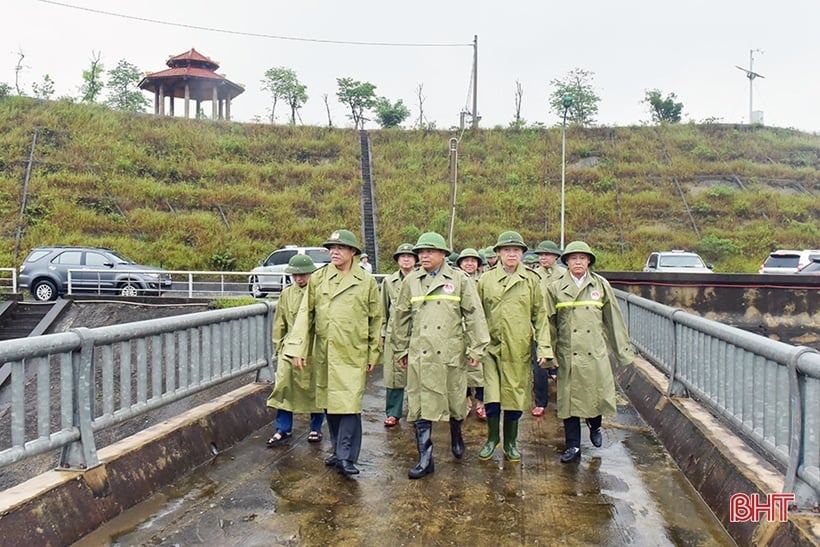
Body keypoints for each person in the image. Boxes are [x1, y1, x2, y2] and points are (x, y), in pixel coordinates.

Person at [285, 229, 384, 477]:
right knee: (331, 403)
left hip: (353, 352)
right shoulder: (318, 279)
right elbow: (305, 315)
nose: (334, 252)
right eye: (331, 248)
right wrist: (298, 348)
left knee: (349, 405)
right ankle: (339, 449)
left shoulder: (366, 281)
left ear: (353, 252)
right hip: (325, 353)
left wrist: (373, 354)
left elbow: (376, 320)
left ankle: (347, 456)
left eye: (340, 248)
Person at [391, 232, 490, 479]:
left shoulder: (459, 280)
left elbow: (474, 315)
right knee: (419, 406)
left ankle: (457, 433)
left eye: (429, 251)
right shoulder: (411, 281)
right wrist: (400, 349)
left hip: (449, 353)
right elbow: (400, 318)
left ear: (443, 254)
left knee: (455, 402)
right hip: (421, 354)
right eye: (420, 252)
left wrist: (477, 348)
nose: (423, 256)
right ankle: (425, 457)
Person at [544, 240, 634, 463]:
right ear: (566, 262)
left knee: (595, 396)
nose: (577, 262)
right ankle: (573, 445)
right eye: (573, 258)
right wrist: (548, 351)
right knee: (569, 403)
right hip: (568, 353)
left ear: (588, 261)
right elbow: (548, 323)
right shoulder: (555, 286)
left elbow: (613, 319)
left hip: (594, 353)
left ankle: (595, 426)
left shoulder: (600, 285)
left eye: (582, 258)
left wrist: (623, 351)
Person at [476, 231, 553, 462]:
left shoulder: (532, 280)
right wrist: (474, 346)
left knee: (514, 396)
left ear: (522, 254)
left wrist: (545, 349)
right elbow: (476, 314)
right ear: (498, 253)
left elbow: (540, 316)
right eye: (507, 250)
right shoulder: (485, 280)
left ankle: (510, 442)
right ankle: (492, 439)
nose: (511, 254)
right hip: (491, 347)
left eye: (516, 250)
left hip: (518, 347)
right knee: (492, 395)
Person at [266, 255, 325, 446]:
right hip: (290, 346)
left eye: (303, 275)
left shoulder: (319, 293)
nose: (299, 278)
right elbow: (279, 323)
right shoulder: (287, 294)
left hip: (313, 347)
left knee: (314, 387)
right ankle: (282, 428)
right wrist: (279, 346)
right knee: (283, 387)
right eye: (295, 275)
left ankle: (316, 427)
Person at [381, 243, 418, 427]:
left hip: (417, 332)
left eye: (410, 256)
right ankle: (393, 412)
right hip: (394, 333)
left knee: (416, 373)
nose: (406, 259)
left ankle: (415, 410)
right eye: (402, 256)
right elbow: (383, 310)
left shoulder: (421, 279)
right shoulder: (389, 281)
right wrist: (382, 333)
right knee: (394, 375)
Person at [530, 240, 563, 417]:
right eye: (541, 255)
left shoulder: (563, 275)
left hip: (560, 324)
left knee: (563, 363)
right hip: (540, 326)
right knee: (539, 365)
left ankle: (566, 399)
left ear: (555, 256)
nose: (543, 258)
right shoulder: (533, 275)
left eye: (547, 254)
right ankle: (540, 402)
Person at [456, 248, 486, 420]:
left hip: (479, 329)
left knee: (481, 369)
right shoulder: (456, 281)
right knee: (463, 369)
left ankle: (481, 403)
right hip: (460, 331)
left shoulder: (482, 281)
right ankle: (466, 401)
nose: (469, 263)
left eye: (473, 261)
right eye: (465, 260)